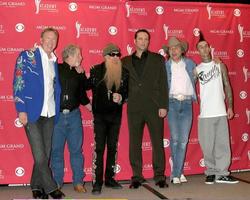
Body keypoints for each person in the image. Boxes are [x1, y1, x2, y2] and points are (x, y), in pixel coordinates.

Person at [13, 27, 65, 199]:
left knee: (45, 153)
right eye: (48, 38)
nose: (51, 42)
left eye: (54, 39)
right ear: (41, 39)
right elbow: (18, 82)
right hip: (31, 112)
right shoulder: (27, 56)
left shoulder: (54, 61)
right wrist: (21, 109)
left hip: (49, 114)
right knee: (40, 155)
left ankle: (36, 186)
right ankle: (51, 188)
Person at [122, 29, 168, 188]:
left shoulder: (158, 59)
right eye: (140, 38)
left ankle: (160, 175)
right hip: (134, 107)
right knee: (134, 142)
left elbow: (163, 83)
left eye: (146, 39)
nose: (143, 41)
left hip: (154, 106)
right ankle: (136, 175)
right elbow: (121, 84)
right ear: (134, 41)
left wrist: (163, 105)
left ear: (148, 41)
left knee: (157, 142)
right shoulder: (125, 61)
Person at [195, 33, 239, 184]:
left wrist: (231, 107)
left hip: (220, 111)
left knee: (222, 144)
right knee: (207, 146)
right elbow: (189, 88)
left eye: (206, 46)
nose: (204, 49)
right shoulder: (196, 69)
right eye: (200, 47)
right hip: (205, 114)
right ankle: (211, 172)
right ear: (198, 51)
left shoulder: (220, 65)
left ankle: (222, 173)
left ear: (209, 48)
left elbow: (227, 86)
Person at [86, 43, 129, 195]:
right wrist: (87, 104)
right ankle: (97, 183)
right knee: (99, 149)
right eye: (112, 55)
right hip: (99, 116)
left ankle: (110, 179)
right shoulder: (96, 70)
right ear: (105, 56)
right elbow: (84, 87)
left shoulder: (124, 72)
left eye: (118, 55)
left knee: (112, 147)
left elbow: (128, 93)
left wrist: (122, 97)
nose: (116, 57)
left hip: (115, 116)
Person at [50, 44, 92, 193]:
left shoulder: (78, 72)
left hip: (74, 116)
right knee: (56, 151)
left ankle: (78, 182)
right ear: (69, 56)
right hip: (57, 117)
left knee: (76, 150)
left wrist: (93, 109)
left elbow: (82, 94)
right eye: (78, 55)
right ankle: (57, 183)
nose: (81, 57)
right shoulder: (55, 68)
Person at [163, 37, 197, 184]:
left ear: (182, 50)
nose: (174, 50)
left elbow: (197, 77)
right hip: (172, 103)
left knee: (183, 141)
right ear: (168, 52)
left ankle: (178, 172)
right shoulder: (165, 66)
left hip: (187, 103)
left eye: (176, 47)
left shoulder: (190, 63)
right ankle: (176, 174)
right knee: (175, 139)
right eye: (171, 48)